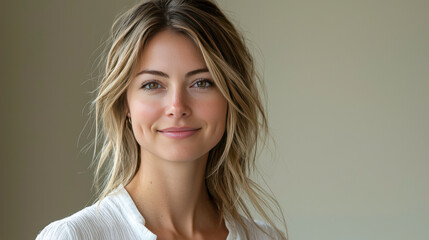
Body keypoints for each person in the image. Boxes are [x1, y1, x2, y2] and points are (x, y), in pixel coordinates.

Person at [36, 0, 287, 239]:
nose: (177, 107)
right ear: (125, 102)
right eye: (153, 84)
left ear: (230, 97)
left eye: (201, 83)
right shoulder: (73, 236)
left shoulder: (266, 238)